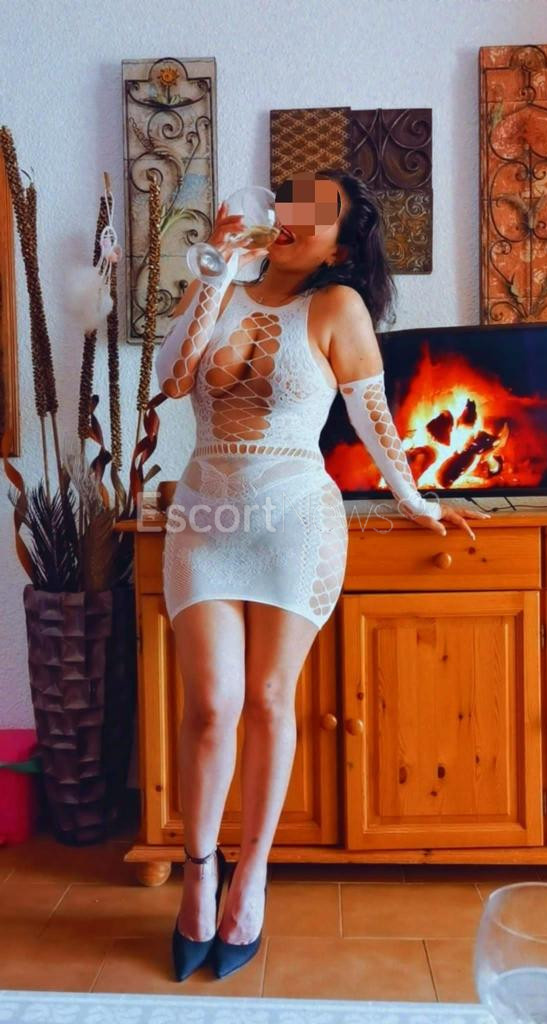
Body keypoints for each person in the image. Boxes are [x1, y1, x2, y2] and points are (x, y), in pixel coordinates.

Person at [154, 168, 490, 983]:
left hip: (295, 521)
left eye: (317, 208)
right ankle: (199, 873)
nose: (293, 215)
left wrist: (417, 500)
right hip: (205, 516)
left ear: (342, 241)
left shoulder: (339, 307)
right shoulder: (222, 280)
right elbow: (171, 379)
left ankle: (251, 878)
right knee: (210, 705)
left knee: (269, 699)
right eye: (288, 200)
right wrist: (217, 265)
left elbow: (375, 419)